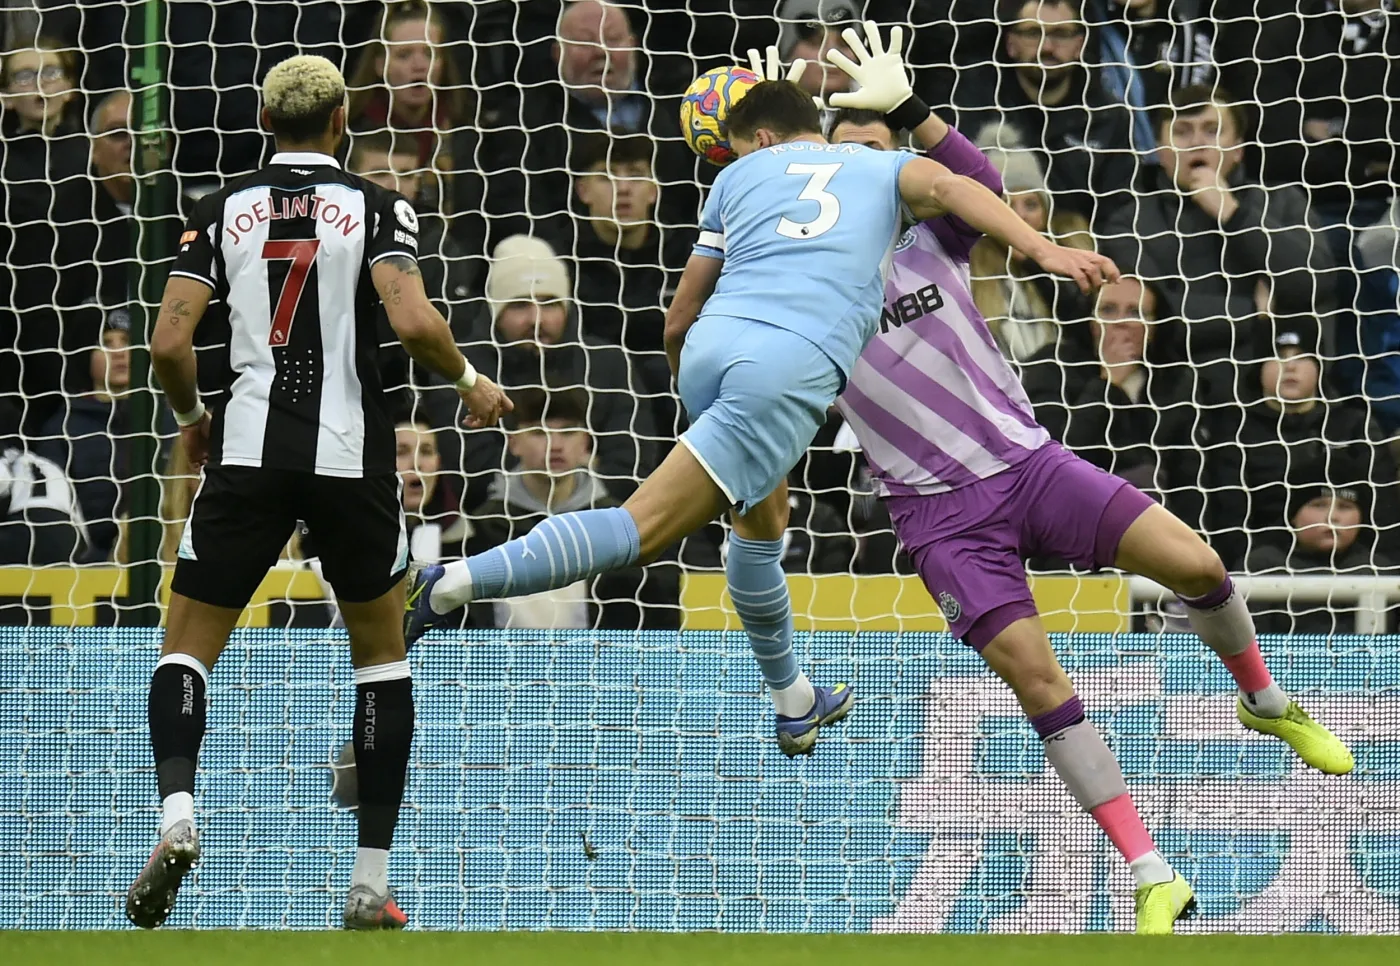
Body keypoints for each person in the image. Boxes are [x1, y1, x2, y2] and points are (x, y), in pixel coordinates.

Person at [405, 51, 1114, 760]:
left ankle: (794, 700)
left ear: (762, 139)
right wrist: (1044, 249)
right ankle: (445, 585)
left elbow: (678, 320)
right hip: (783, 366)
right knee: (641, 530)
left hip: (715, 348)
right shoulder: (877, 167)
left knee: (761, 526)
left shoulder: (735, 180)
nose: (734, 156)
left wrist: (699, 396)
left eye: (736, 143)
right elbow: (961, 185)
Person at [816, 23, 1353, 933]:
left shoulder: (931, 242)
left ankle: (1265, 700)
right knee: (1040, 685)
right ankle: (1151, 873)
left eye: (882, 150)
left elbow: (979, 185)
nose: (870, 168)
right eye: (850, 154)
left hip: (1030, 466)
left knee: (1198, 565)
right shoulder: (799, 287)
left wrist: (910, 109)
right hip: (939, 519)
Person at [121, 54, 509, 932]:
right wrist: (471, 382)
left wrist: (192, 418)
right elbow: (412, 320)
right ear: (343, 121)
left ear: (265, 123)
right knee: (381, 660)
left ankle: (178, 818)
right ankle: (369, 885)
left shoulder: (218, 208)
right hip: (350, 457)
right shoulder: (378, 206)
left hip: (247, 455)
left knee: (185, 650)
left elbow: (168, 344)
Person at [1100, 85, 1337, 378]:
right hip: (1172, 386)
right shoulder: (1129, 223)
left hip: (1272, 386)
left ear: (1238, 149)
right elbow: (1157, 316)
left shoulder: (1283, 202)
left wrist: (1233, 214)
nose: (1197, 143)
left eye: (1212, 131)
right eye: (1181, 132)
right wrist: (1254, 312)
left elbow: (1315, 283)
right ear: (1160, 151)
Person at [446, 234, 657, 511]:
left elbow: (632, 462)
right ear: (495, 312)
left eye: (549, 303)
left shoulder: (608, 362)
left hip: (600, 518)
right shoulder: (463, 369)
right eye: (520, 305)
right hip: (500, 522)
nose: (536, 319)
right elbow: (471, 469)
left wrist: (568, 484)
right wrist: (574, 466)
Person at [467, 388, 680, 630]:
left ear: (585, 442)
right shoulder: (481, 526)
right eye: (539, 433)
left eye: (568, 432)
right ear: (513, 443)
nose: (555, 445)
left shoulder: (619, 526)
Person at [1200, 316, 1400, 568]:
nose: (1290, 366)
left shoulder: (1354, 425)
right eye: (1279, 356)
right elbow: (1229, 518)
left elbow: (1383, 513)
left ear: (1319, 366)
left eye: (1302, 356)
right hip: (1265, 563)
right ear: (1259, 367)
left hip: (1353, 561)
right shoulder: (1235, 431)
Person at [951, 0, 1135, 227]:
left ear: (1079, 45)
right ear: (1010, 43)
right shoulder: (972, 109)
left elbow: (1121, 214)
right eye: (1033, 33)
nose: (1047, 46)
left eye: (1061, 34)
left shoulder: (1109, 117)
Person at [569, 132, 696, 440]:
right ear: (582, 190)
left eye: (636, 175)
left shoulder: (688, 257)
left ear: (654, 190)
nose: (623, 188)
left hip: (677, 397)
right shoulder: (563, 261)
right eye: (607, 176)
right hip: (591, 401)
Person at [1247, 459, 1400, 635]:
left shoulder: (1376, 569)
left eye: (1345, 507)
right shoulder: (1261, 566)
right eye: (1318, 505)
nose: (1332, 516)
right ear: (1293, 516)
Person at [34, 321, 131, 562]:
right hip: (87, 567)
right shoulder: (63, 428)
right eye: (105, 344)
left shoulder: (170, 421)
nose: (119, 352)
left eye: (127, 341)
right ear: (86, 356)